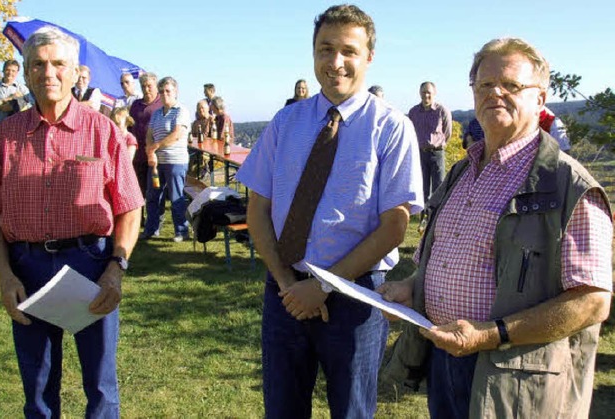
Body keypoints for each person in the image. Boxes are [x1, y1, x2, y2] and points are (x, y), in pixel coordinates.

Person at [378, 37, 612, 418]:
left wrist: (490, 334)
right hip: (444, 359)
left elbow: (592, 302)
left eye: (511, 85)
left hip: (517, 380)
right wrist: (409, 289)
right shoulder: (460, 172)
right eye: (485, 85)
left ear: (540, 99)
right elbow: (440, 261)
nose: (495, 93)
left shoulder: (570, 185)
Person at [236, 4, 423, 418]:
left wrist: (322, 288)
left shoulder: (391, 127)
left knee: (352, 411)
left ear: (369, 57)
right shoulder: (286, 122)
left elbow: (395, 227)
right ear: (313, 53)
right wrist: (288, 285)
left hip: (354, 298)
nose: (335, 62)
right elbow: (258, 207)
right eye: (325, 49)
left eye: (348, 51)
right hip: (283, 295)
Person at [0, 26, 143, 417]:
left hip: (91, 265)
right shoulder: (8, 134)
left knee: (101, 387)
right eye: (38, 64)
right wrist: (5, 276)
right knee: (37, 389)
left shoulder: (102, 131)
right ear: (27, 71)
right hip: (27, 268)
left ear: (74, 72)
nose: (48, 73)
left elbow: (129, 207)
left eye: (58, 64)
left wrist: (116, 268)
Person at [141, 76, 190, 242]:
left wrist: (155, 147)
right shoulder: (156, 114)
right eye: (161, 91)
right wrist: (150, 151)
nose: (164, 94)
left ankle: (181, 231)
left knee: (176, 196)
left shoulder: (181, 110)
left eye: (168, 91)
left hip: (176, 161)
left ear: (175, 91)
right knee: (153, 196)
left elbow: (176, 135)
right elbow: (149, 134)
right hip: (157, 162)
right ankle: (151, 229)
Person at [408, 81, 452, 214]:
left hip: (437, 153)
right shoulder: (414, 112)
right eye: (423, 92)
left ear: (434, 94)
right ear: (419, 93)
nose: (426, 95)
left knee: (439, 187)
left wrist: (439, 144)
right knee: (422, 187)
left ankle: (437, 215)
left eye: (429, 93)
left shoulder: (441, 111)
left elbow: (448, 132)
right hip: (420, 154)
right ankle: (423, 217)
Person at [129, 72, 163, 201]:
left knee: (155, 190)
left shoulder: (161, 103)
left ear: (156, 86)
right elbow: (129, 126)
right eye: (143, 86)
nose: (146, 89)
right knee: (138, 190)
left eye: (149, 86)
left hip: (156, 155)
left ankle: (155, 219)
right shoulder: (136, 104)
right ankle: (141, 219)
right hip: (138, 155)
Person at [0, 59, 31, 132]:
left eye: (13, 71)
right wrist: (7, 99)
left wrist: (15, 106)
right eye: (8, 70)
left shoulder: (23, 89)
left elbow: (31, 106)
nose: (10, 73)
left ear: (17, 73)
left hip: (19, 126)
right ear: (3, 70)